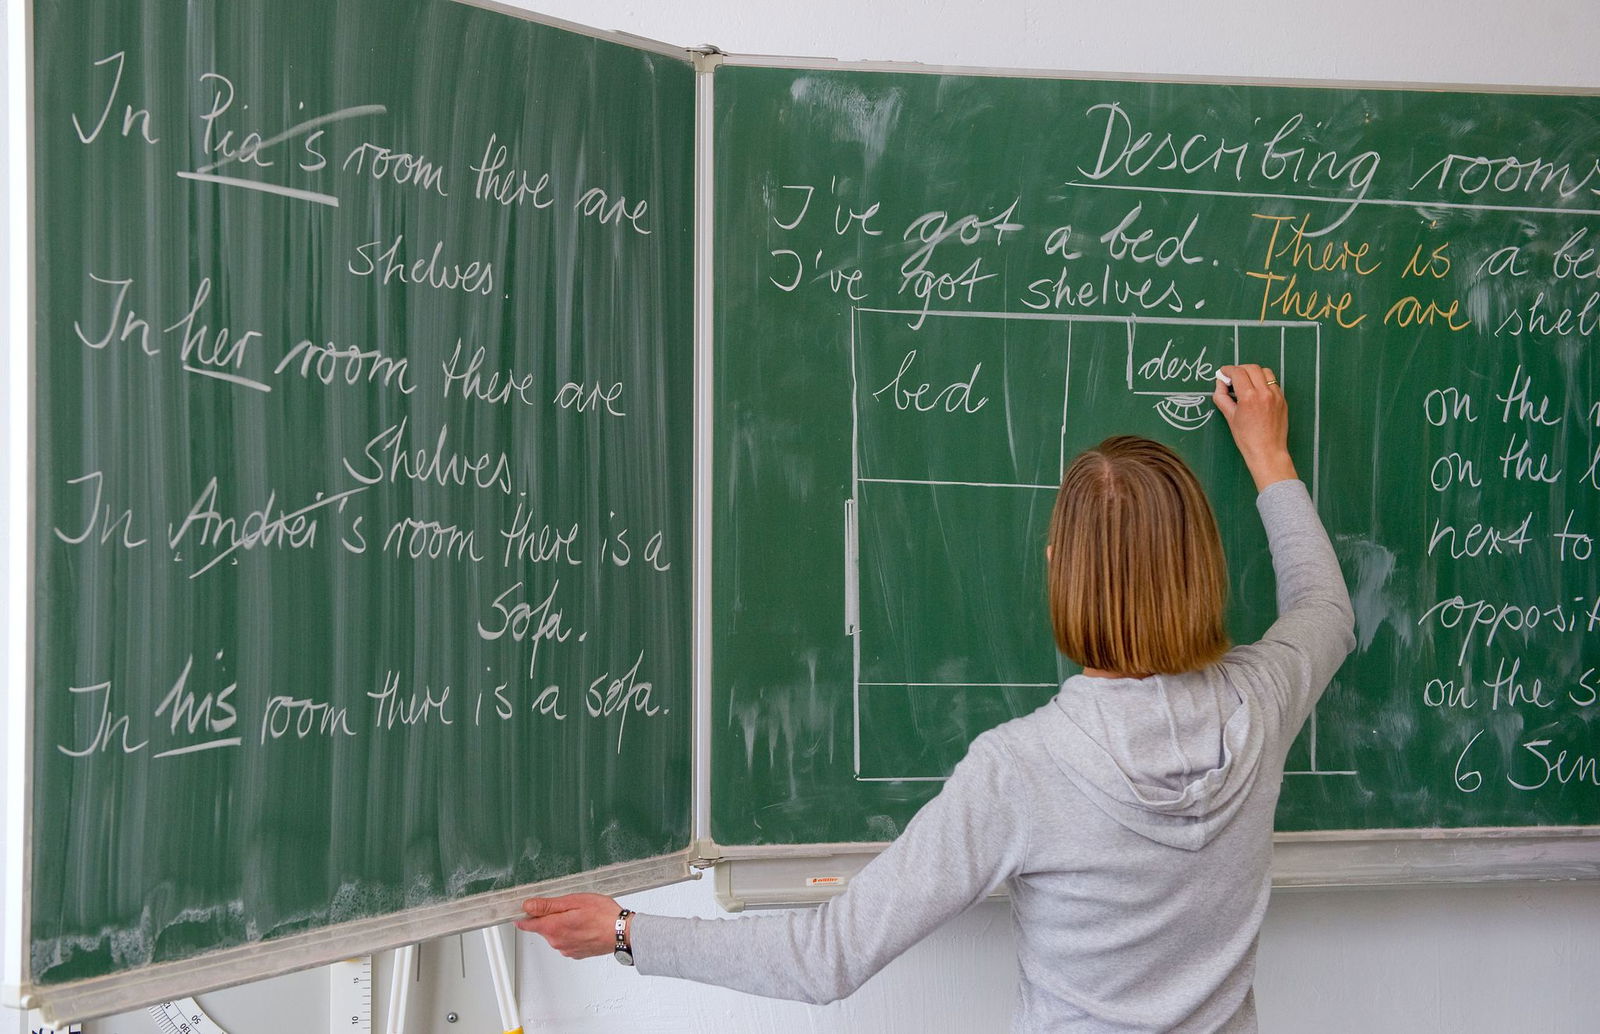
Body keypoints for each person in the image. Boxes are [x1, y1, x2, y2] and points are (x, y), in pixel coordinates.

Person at [516, 363, 1356, 1033]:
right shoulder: (1261, 704)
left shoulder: (1022, 771)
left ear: (1058, 567)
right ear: (1202, 568)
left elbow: (828, 959)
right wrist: (1269, 457)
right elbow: (1325, 609)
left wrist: (625, 933)